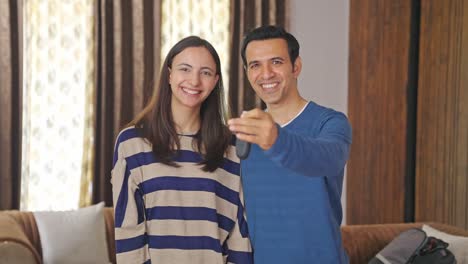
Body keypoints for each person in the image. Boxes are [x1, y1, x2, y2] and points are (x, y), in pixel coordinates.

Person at [111, 36, 253, 264]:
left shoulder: (233, 147)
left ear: (215, 81)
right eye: (184, 69)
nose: (194, 80)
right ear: (169, 74)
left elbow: (240, 234)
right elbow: (128, 231)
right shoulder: (132, 143)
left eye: (205, 72)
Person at [228, 25, 352, 263]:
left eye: (276, 62)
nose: (266, 74)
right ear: (246, 72)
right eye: (255, 65)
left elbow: (325, 158)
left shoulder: (331, 123)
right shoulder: (243, 133)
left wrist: (276, 139)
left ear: (296, 67)